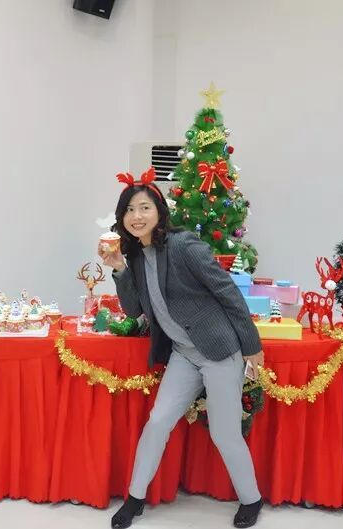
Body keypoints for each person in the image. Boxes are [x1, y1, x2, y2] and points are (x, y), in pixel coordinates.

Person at [98, 170, 264, 529]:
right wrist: (120, 268)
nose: (137, 216)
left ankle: (252, 499)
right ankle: (135, 499)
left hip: (219, 350)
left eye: (144, 207)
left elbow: (227, 292)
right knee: (158, 422)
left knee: (224, 433)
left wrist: (252, 345)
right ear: (122, 218)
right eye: (129, 210)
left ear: (159, 211)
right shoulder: (135, 256)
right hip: (184, 354)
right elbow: (134, 310)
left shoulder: (184, 246)